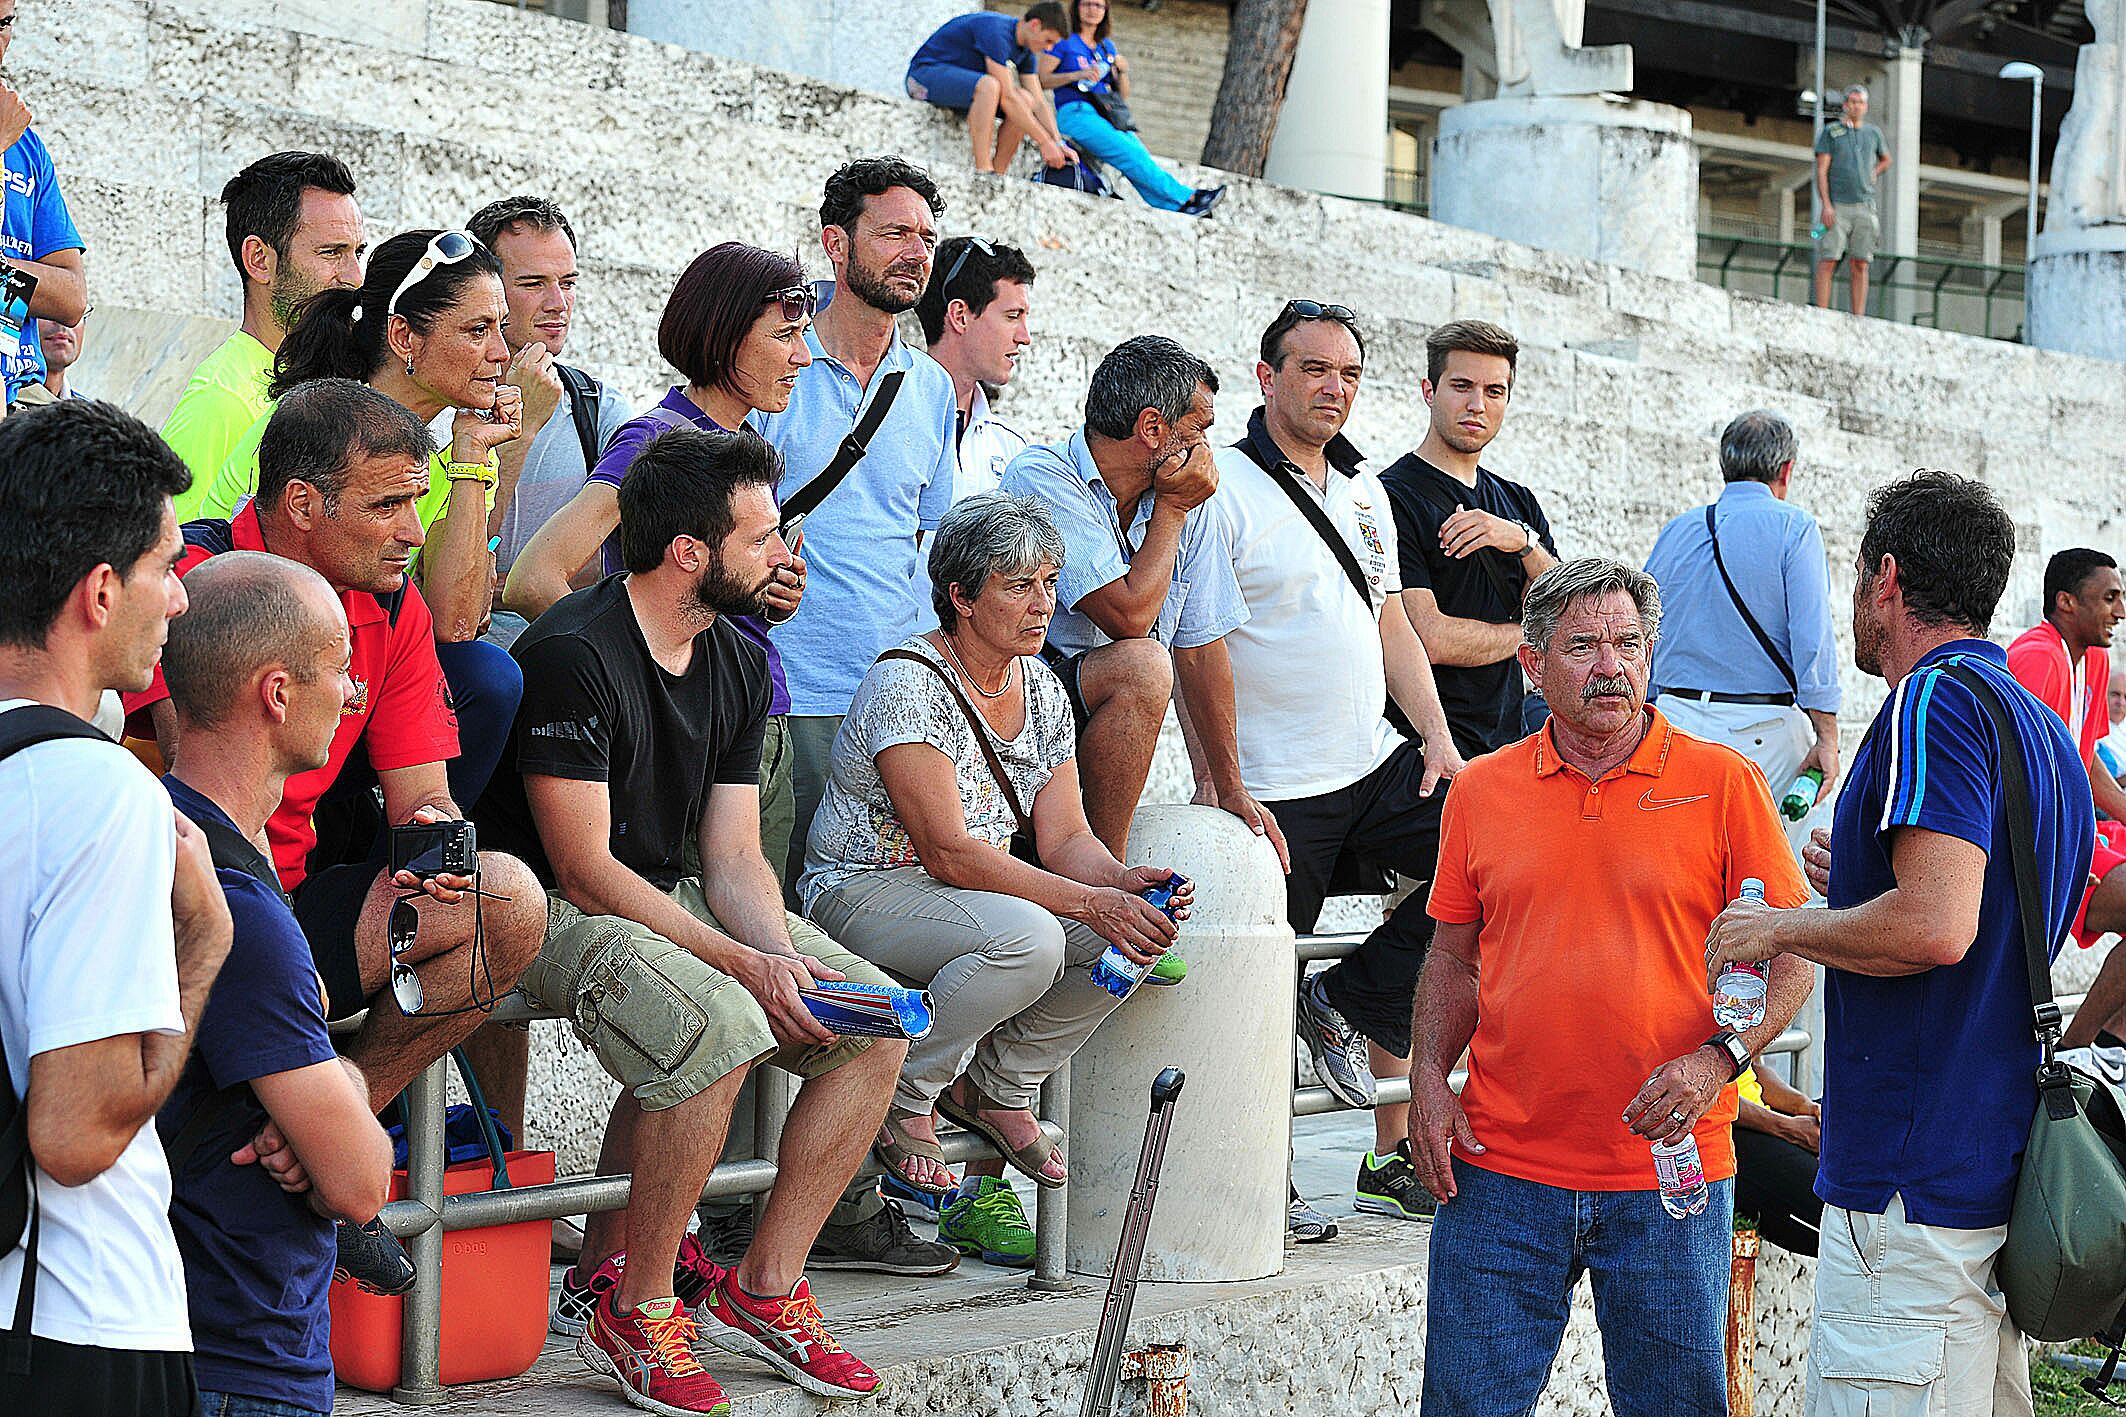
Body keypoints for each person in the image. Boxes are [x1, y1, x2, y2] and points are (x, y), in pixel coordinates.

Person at [472, 428, 894, 1415]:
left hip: (668, 890)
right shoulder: (573, 651)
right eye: (762, 537)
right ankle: (639, 1306)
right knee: (721, 1024)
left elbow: (734, 857)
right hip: (543, 904)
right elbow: (584, 868)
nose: (784, 555)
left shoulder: (737, 658)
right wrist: (745, 971)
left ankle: (766, 1287)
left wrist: (779, 957)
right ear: (690, 553)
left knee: (872, 1020)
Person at [1705, 471, 2093, 1417]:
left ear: (1886, 578)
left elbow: (1937, 925)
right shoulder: (2040, 727)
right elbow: (1990, 912)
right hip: (1984, 1174)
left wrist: (1778, 925)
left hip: (1909, 1192)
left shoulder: (1928, 700)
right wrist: (1860, 884)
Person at [1411, 557, 1812, 1415]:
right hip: (1500, 1172)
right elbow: (1451, 958)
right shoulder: (1480, 790)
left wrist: (1719, 1060)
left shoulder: (1725, 783)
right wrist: (1426, 1080)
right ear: (1532, 664)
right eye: (1583, 645)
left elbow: (1793, 956)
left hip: (1671, 1172)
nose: (1610, 666)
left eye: (1629, 644)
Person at [121, 379, 546, 1126]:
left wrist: (439, 846)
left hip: (287, 896)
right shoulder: (191, 578)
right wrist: (278, 956)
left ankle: (342, 1113)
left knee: (506, 900)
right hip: (174, 909)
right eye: (388, 506)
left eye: (416, 501)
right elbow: (210, 807)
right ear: (302, 503)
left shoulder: (391, 599)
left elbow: (423, 796)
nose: (413, 531)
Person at [801, 492, 1188, 1269]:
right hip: (862, 887)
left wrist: (1122, 882)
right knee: (1033, 939)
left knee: (1135, 937)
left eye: (1049, 583)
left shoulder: (1040, 687)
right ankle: (904, 1095)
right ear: (962, 596)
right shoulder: (908, 680)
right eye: (1019, 586)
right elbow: (948, 852)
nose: (1044, 603)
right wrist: (1091, 901)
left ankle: (1000, 1085)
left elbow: (1065, 836)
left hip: (961, 896)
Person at [1188, 301, 1462, 1238]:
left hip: (1372, 763)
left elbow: (1390, 621)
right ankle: (1265, 1188)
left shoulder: (1365, 489)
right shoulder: (1220, 485)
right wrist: (1222, 779)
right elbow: (1197, 643)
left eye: (1348, 373)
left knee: (1493, 848)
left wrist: (1435, 737)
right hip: (1274, 782)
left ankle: (1347, 997)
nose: (1333, 388)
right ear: (1267, 378)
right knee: (1256, 1003)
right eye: (1313, 369)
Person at [0, 399, 229, 1413]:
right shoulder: (98, 792)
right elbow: (77, 1135)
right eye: (165, 566)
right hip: (75, 1315)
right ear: (99, 591)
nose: (178, 597)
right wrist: (204, 945)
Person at [154, 552, 396, 1417]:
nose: (356, 693)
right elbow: (361, 1181)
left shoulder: (167, 840)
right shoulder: (241, 909)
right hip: (240, 1357)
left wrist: (326, 1097)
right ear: (278, 693)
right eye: (341, 668)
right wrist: (335, 1114)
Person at [187, 229, 535, 808]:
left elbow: (456, 624)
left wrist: (473, 457)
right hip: (258, 656)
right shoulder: (309, 428)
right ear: (403, 336)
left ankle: (388, 848)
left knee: (486, 674)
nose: (502, 353)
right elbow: (235, 588)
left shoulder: (460, 444)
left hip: (371, 659)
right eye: (478, 331)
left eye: (501, 328)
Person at [758, 158, 961, 897]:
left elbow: (926, 540)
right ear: (836, 244)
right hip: (789, 686)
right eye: (894, 233)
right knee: (778, 903)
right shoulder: (772, 360)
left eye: (927, 238)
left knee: (876, 907)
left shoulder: (931, 386)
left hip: (895, 699)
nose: (916, 253)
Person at [1002, 335, 1238, 858]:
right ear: (1152, 429)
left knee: (1148, 665)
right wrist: (1172, 512)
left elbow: (1200, 647)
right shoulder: (1041, 476)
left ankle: (1102, 870)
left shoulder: (1187, 497)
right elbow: (1127, 619)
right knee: (1142, 666)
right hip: (1015, 706)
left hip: (1095, 708)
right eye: (1197, 429)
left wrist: (1224, 785)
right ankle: (1101, 870)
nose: (1205, 451)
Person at [1644, 409, 1841, 846]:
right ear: (1786, 470)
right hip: (1763, 734)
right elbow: (1812, 640)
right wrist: (1827, 738)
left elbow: (1644, 628)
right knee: (1789, 870)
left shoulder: (1676, 531)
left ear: (1724, 465)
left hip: (1675, 723)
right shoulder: (1794, 527)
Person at [1381, 319, 1560, 761]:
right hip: (1424, 750)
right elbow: (1430, 638)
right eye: (1461, 386)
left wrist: (1520, 541)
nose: (1477, 405)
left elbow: (1561, 605)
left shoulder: (1518, 502)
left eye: (1494, 391)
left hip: (1509, 743)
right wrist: (1531, 638)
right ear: (1429, 391)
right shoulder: (1390, 497)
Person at [465, 195, 630, 644]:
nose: (558, 303)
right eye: (533, 283)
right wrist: (523, 431)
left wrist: (504, 587)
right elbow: (437, 579)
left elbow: (619, 569)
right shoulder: (439, 410)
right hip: (460, 665)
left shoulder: (599, 409)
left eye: (568, 282)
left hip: (562, 664)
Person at [162, 151, 364, 495]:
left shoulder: (341, 378)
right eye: (331, 252)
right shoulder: (219, 401)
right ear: (259, 260)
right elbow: (180, 531)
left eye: (357, 253)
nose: (355, 278)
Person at [2016, 550, 2126, 1045]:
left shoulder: (2095, 658)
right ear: (2066, 602)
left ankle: (2104, 1046)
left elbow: (2086, 757)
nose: (2120, 612)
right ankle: (2079, 1048)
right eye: (2109, 598)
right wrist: (2063, 855)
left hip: (2076, 834)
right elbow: (2015, 779)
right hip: (2043, 847)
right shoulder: (2037, 658)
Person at [1042, 0, 1225, 217]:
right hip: (1076, 113)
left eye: (1099, 5)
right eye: (1087, 4)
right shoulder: (1064, 40)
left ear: (1105, 11)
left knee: (1138, 153)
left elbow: (1122, 95)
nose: (1092, 10)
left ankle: (1177, 209)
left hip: (1106, 114)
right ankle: (1189, 197)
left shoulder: (1105, 47)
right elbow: (1042, 79)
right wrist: (1077, 75)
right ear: (1077, 7)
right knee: (1129, 154)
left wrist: (1123, 72)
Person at [0, 0, 87, 412]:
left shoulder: (27, 145)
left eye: (4, 24)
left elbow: (71, 298)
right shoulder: (7, 135)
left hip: (23, 395)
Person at [916, 235, 1035, 501]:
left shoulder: (1011, 448)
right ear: (960, 316)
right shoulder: (893, 422)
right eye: (1012, 316)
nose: (1025, 337)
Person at [907, 4, 1075, 176]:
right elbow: (1007, 98)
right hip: (921, 79)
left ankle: (997, 175)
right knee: (990, 86)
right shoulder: (997, 31)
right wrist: (1044, 142)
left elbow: (1039, 102)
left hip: (963, 89)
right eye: (1048, 41)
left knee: (1026, 99)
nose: (1048, 48)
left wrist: (1058, 143)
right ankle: (983, 169)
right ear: (1035, 25)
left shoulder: (1027, 51)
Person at [1813, 84, 1892, 316]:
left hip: (1865, 205)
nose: (1856, 106)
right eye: (1853, 102)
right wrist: (1826, 204)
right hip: (1838, 205)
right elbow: (1821, 170)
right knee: (1829, 258)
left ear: (1865, 107)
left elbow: (1886, 159)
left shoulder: (1873, 133)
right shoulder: (1832, 132)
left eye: (1861, 102)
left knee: (1861, 262)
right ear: (1846, 104)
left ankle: (1858, 315)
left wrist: (1874, 172)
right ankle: (1822, 311)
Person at [1734, 1064, 1824, 1258]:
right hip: (1727, 1132)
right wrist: (1788, 1129)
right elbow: (1706, 1098)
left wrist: (1804, 1106)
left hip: (1764, 1114)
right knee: (1838, 1212)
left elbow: (1753, 1068)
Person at [34, 308, 85, 399]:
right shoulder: (7, 401)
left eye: (74, 312)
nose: (62, 322)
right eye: (47, 310)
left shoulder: (88, 408)